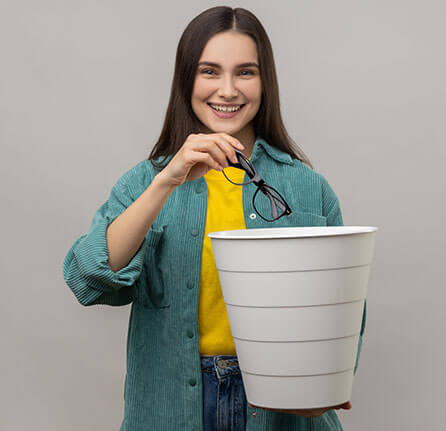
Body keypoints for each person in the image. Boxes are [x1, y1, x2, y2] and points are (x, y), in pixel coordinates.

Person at [63, 6, 365, 431]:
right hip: (173, 403)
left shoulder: (308, 188)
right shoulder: (146, 183)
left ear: (265, 82)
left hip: (280, 408)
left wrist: (328, 383)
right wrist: (166, 181)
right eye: (210, 71)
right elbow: (87, 278)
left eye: (245, 72)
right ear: (187, 79)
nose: (227, 90)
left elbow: (345, 304)